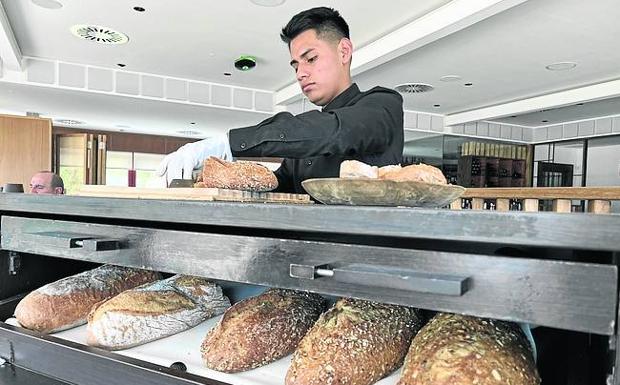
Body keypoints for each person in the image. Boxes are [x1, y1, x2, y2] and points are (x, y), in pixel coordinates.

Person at [157, 7, 404, 193]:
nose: (300, 73)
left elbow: (332, 131)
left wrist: (230, 142)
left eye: (311, 59)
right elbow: (279, 186)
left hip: (363, 259)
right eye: (295, 65)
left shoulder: (383, 105)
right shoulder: (302, 147)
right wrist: (220, 179)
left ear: (344, 51)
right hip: (299, 257)